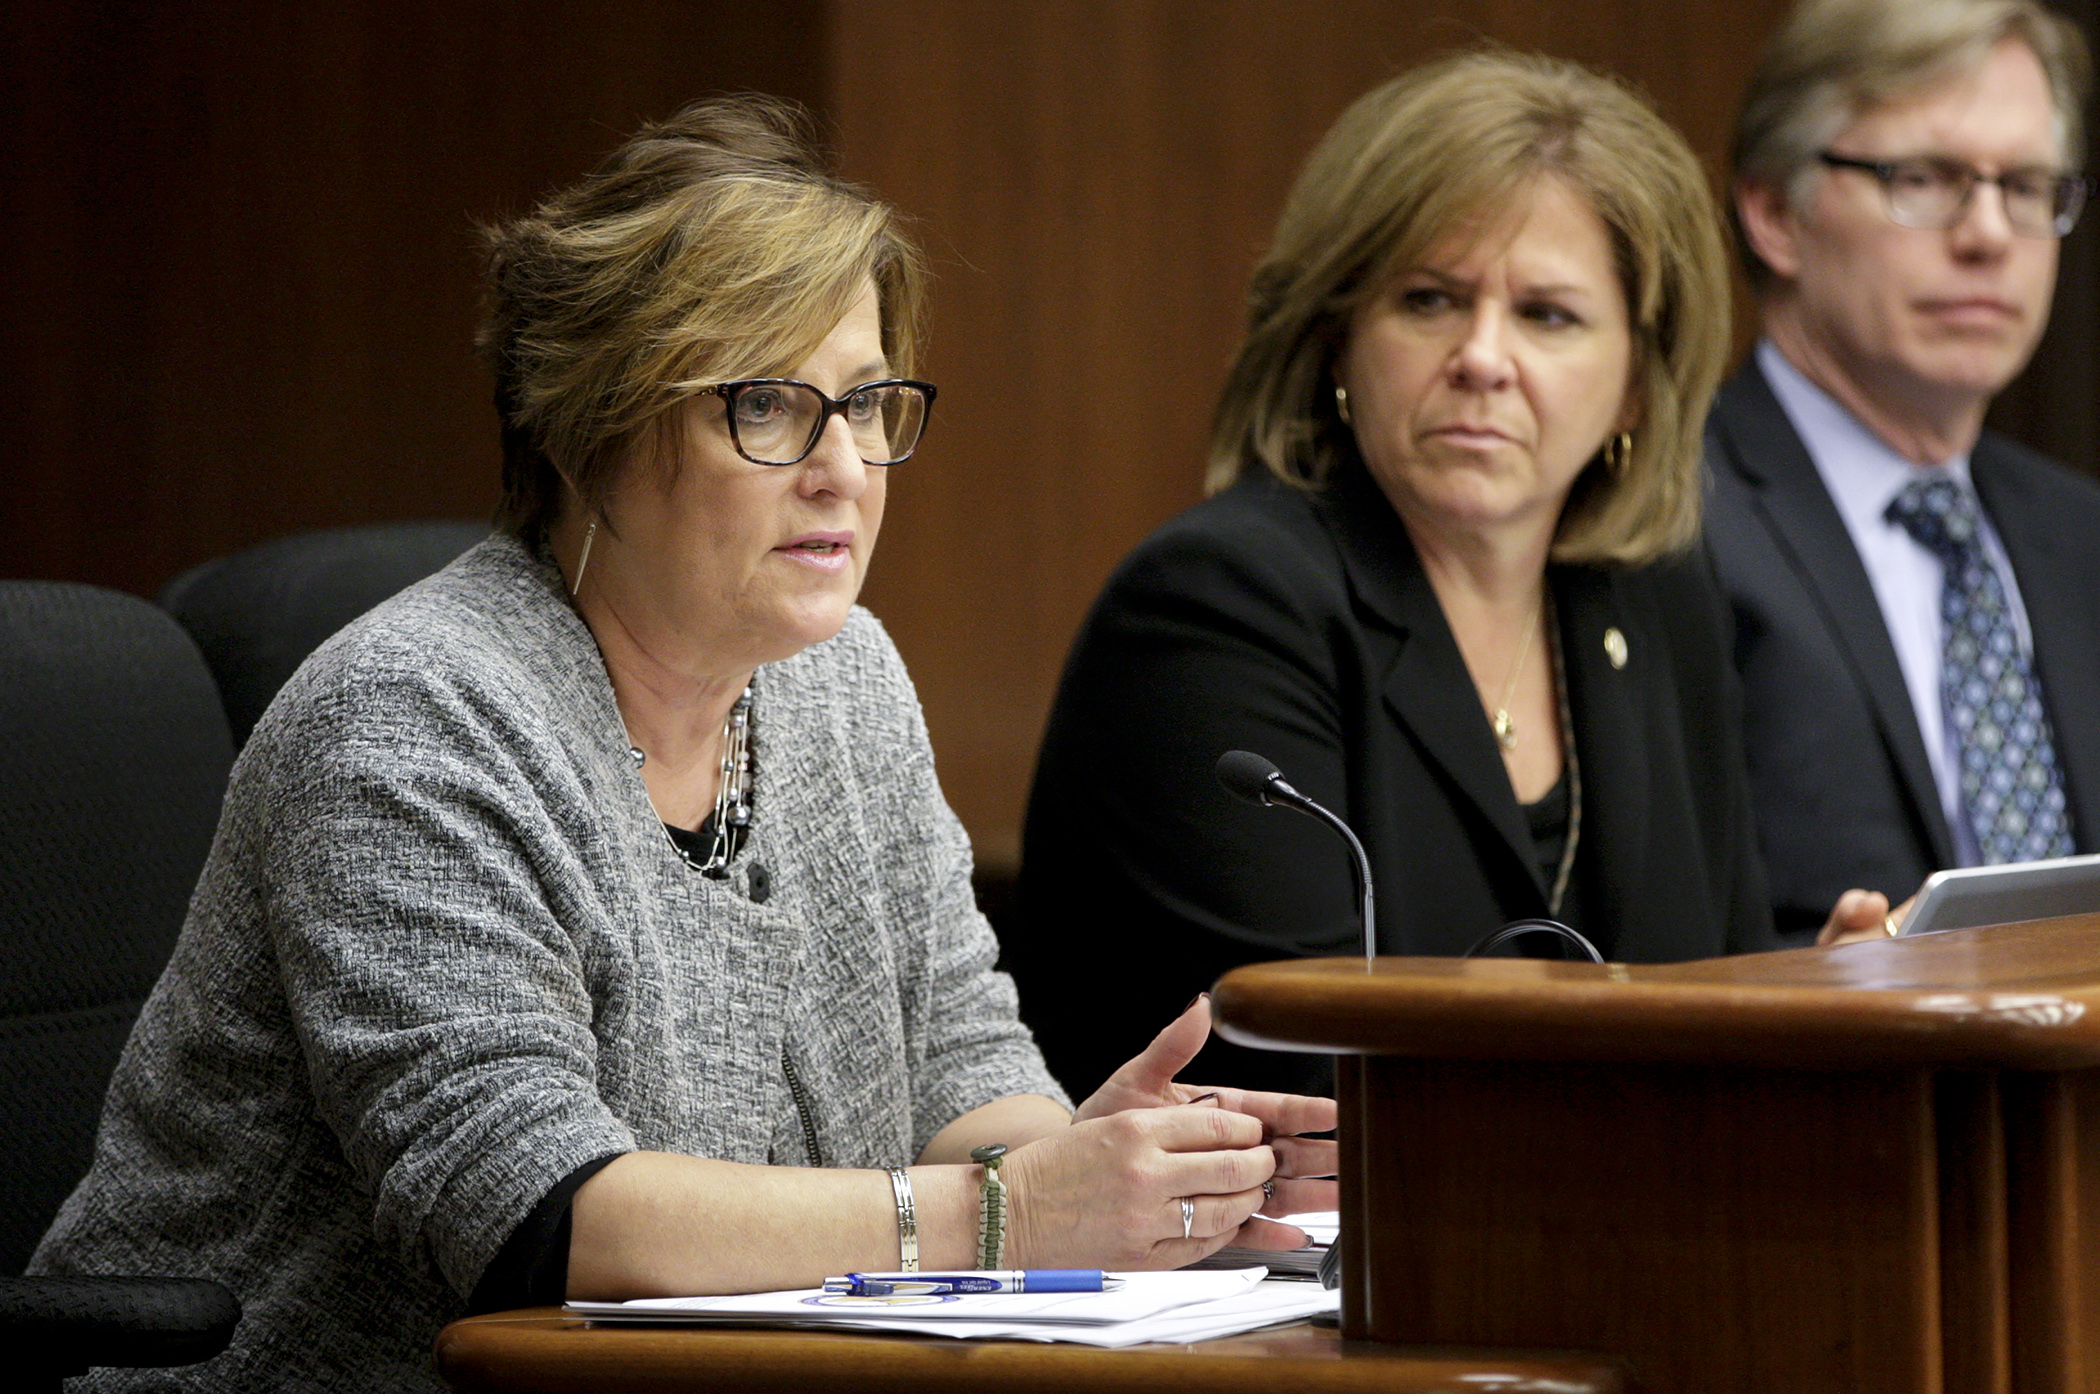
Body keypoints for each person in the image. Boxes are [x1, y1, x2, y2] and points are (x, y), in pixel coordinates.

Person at [30, 97, 1335, 1392]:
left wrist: (1103, 1176)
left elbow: (959, 1055)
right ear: (586, 427)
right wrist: (1005, 1215)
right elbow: (533, 1215)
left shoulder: (846, 681)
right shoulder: (414, 718)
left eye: (871, 403)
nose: (845, 470)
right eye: (769, 406)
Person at [1009, 51, 1893, 1100]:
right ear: (1340, 340)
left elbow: (1713, 973)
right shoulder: (1217, 607)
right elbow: (1307, 1065)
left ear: (1636, 389)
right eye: (1430, 300)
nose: (1482, 356)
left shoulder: (1653, 598)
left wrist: (1807, 1010)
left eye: (1547, 315)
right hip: (1274, 1250)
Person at [1708, 0, 2100, 942]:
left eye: (2026, 186)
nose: (1989, 235)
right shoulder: (1668, 519)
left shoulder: (2083, 533)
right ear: (1773, 213)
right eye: (1925, 179)